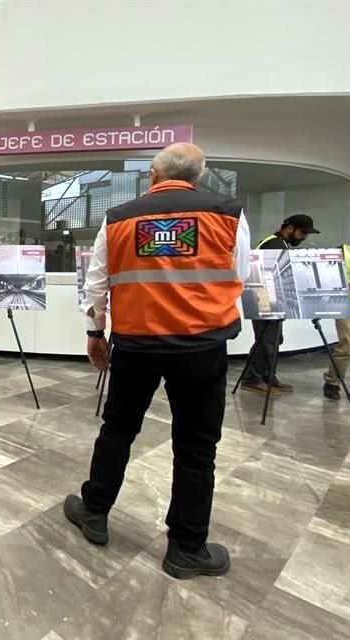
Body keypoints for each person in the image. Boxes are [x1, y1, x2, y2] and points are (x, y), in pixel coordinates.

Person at [64, 142, 250, 580]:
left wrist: (96, 334)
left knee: (118, 430)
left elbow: (97, 284)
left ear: (152, 175)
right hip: (202, 345)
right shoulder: (227, 213)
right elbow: (239, 271)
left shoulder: (118, 218)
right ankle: (186, 547)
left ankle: (94, 511)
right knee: (196, 446)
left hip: (136, 344)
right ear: (198, 177)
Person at [239, 214, 319, 393]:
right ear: (289, 228)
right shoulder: (275, 245)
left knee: (274, 340)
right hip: (264, 300)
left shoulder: (277, 243)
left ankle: (267, 376)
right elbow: (271, 275)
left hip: (268, 299)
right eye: (302, 232)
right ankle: (253, 378)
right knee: (266, 340)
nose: (304, 237)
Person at [323, 220, 350, 400]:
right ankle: (332, 382)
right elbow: (330, 276)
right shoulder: (344, 252)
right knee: (348, 347)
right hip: (349, 307)